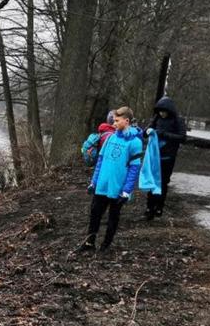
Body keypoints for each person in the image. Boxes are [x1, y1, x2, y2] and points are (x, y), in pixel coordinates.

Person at [79, 106, 143, 253]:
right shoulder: (110, 138)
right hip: (102, 185)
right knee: (95, 213)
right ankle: (89, 242)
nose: (113, 124)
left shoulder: (135, 142)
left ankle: (105, 245)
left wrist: (127, 191)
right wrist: (93, 182)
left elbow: (134, 168)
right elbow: (100, 161)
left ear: (126, 121)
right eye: (113, 120)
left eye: (116, 121)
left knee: (113, 217)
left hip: (118, 188)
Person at [144, 96, 187, 220]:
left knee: (163, 182)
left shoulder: (178, 120)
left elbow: (182, 138)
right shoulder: (157, 118)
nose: (162, 113)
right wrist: (147, 131)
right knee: (152, 181)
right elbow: (146, 131)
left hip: (168, 157)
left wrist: (163, 134)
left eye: (164, 111)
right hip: (154, 156)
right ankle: (149, 207)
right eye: (160, 111)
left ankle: (159, 206)